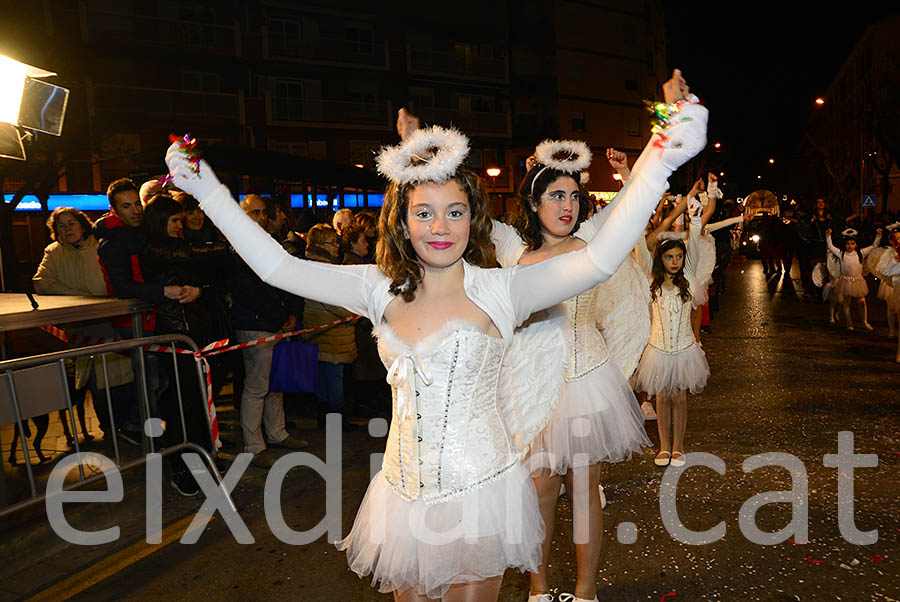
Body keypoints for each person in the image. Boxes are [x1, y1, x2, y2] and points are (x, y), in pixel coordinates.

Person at [165, 68, 706, 601]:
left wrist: (664, 154)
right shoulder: (378, 289)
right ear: (402, 220)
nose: (440, 227)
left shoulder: (502, 289)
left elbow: (600, 258)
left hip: (480, 495)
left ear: (473, 219)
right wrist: (205, 189)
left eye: (454, 212)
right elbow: (278, 268)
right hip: (401, 498)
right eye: (424, 213)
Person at [489, 140, 651, 602]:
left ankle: (586, 592)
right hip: (533, 389)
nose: (567, 205)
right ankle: (538, 591)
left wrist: (627, 173)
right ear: (534, 202)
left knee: (585, 492)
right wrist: (419, 156)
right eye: (555, 196)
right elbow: (464, 204)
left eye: (574, 196)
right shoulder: (511, 249)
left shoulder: (593, 241)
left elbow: (634, 204)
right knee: (538, 495)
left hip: (586, 382)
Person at [140, 194, 230, 495]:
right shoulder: (155, 250)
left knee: (198, 403)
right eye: (175, 220)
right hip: (176, 337)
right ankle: (182, 466)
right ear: (159, 221)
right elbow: (196, 258)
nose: (181, 225)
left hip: (197, 334)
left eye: (182, 219)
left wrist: (200, 290)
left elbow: (213, 281)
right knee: (183, 406)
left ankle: (203, 458)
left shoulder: (181, 247)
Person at [32, 207, 134, 445]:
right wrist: (78, 297)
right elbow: (42, 282)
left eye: (71, 223)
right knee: (96, 384)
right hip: (80, 329)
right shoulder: (54, 252)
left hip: (111, 321)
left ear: (82, 224)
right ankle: (110, 429)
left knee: (122, 378)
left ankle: (130, 426)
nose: (67, 229)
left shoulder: (100, 246)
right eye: (61, 226)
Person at [228, 194, 309, 469]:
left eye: (263, 213)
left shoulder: (267, 243)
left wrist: (289, 315)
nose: (261, 218)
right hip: (255, 324)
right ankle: (254, 445)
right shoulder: (238, 246)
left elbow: (283, 281)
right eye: (254, 213)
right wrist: (280, 316)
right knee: (257, 387)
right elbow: (248, 291)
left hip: (274, 321)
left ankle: (277, 433)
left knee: (276, 383)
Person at [635, 196, 711, 469]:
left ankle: (678, 446)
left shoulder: (688, 278)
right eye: (670, 257)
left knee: (679, 397)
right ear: (661, 259)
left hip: (684, 350)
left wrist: (695, 219)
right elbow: (640, 247)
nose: (676, 261)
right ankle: (664, 447)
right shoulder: (652, 281)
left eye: (679, 256)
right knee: (661, 398)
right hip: (658, 349)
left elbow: (696, 247)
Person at [302, 224, 358, 430]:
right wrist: (352, 314)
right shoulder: (321, 268)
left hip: (324, 330)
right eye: (333, 243)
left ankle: (325, 417)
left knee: (326, 376)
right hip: (329, 331)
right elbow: (331, 301)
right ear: (320, 245)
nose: (337, 246)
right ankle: (336, 419)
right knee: (333, 377)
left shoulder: (317, 265)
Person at [826, 227, 882, 330]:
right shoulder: (841, 253)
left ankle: (865, 321)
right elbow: (831, 246)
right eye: (848, 244)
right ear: (844, 244)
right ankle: (849, 323)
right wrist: (828, 236)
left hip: (858, 281)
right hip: (846, 281)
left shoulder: (860, 253)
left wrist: (878, 236)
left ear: (856, 244)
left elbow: (874, 246)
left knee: (862, 302)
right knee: (847, 303)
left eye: (852, 243)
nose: (850, 246)